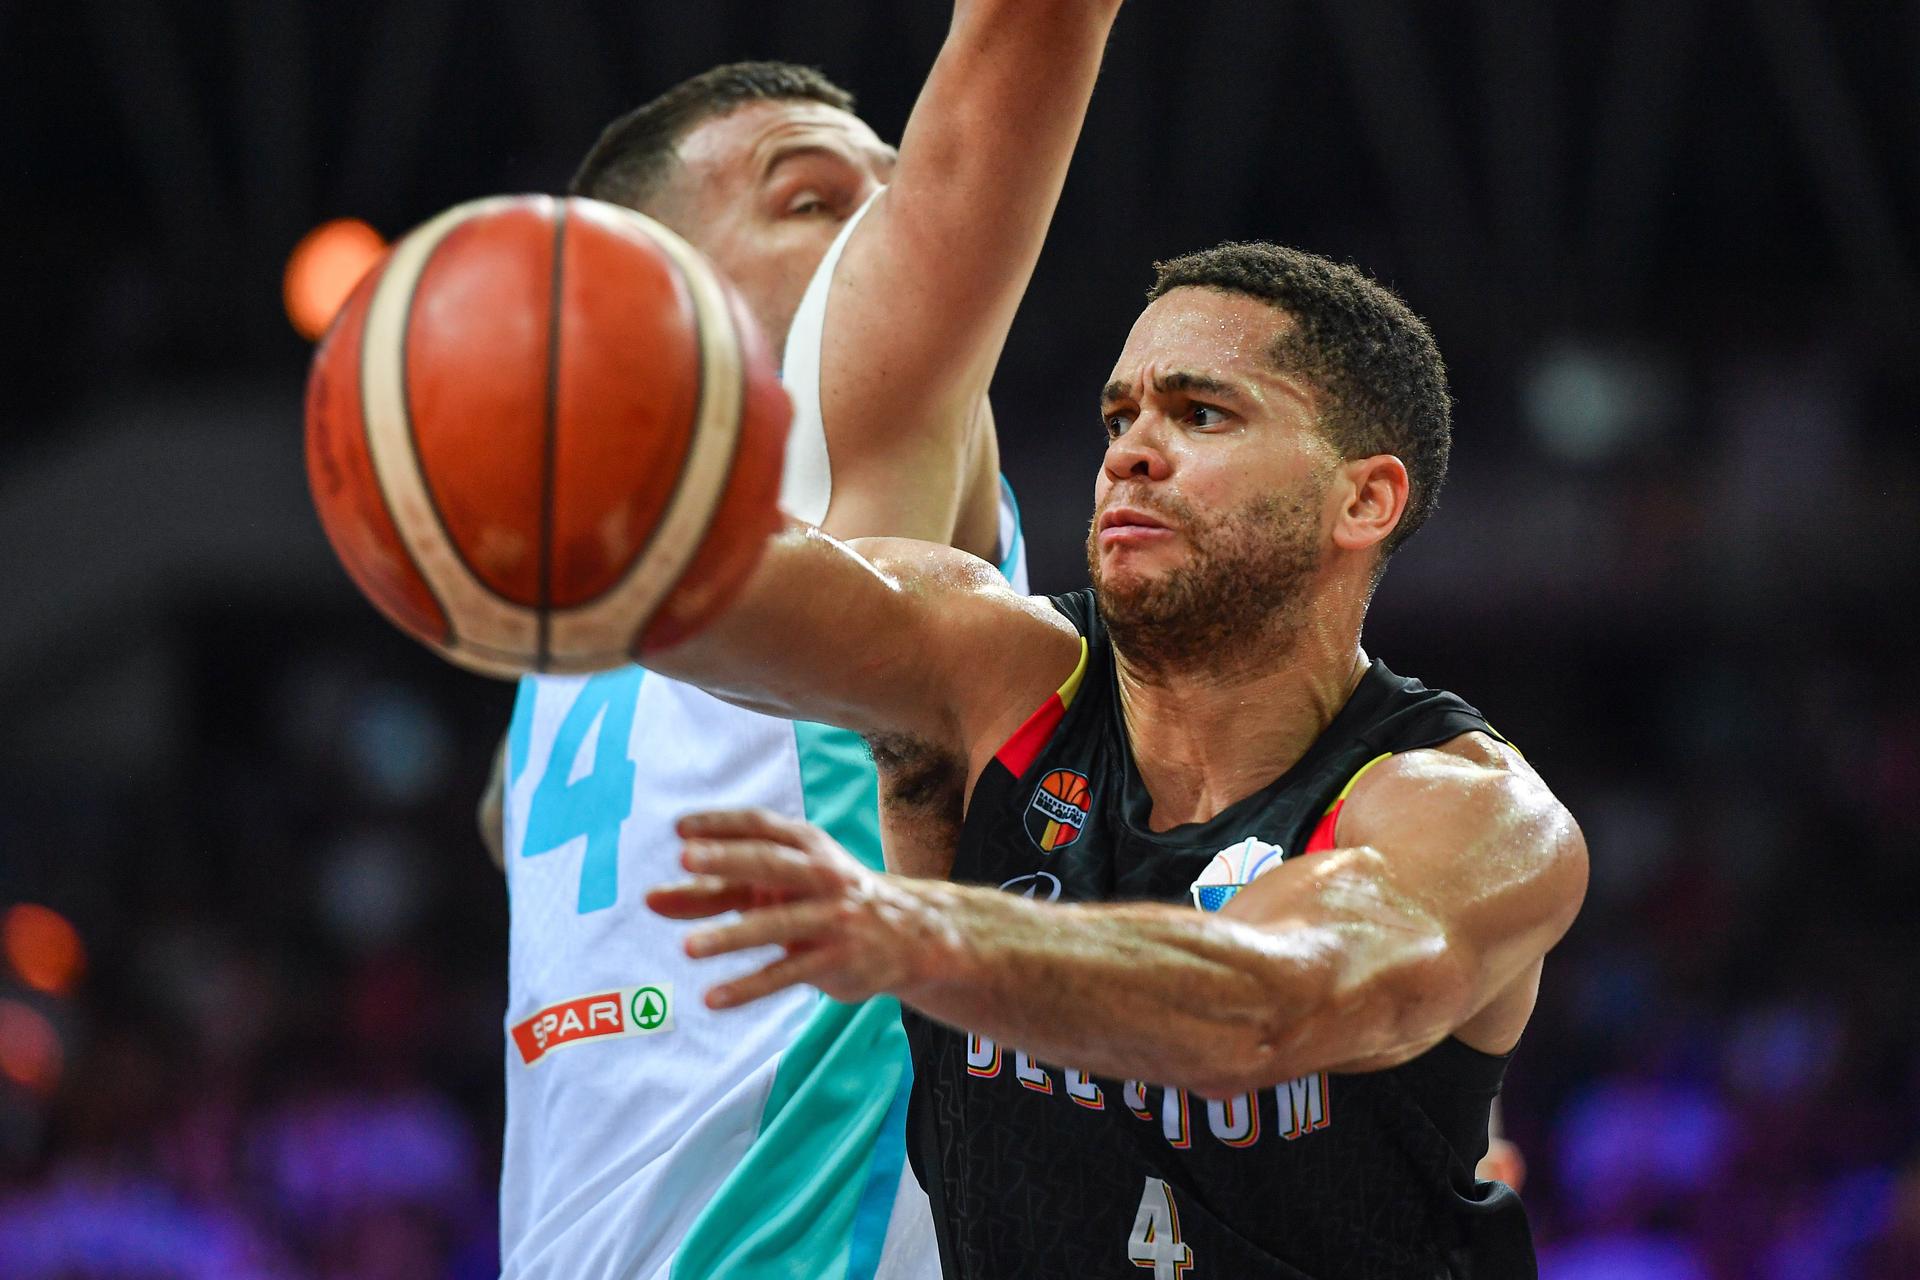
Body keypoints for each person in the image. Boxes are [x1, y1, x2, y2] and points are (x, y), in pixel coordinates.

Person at [642, 241, 1589, 1278]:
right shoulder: (997, 670)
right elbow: (716, 595)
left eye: (1201, 413)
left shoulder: (1466, 813)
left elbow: (1272, 1006)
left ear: (1363, 501)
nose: (1132, 451)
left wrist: (920, 933)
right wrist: (554, 506)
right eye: (1119, 416)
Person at [484, 5, 1125, 1277]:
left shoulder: (578, 607)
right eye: (814, 201)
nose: (888, 233)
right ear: (629, 283)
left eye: (900, 189)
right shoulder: (632, 577)